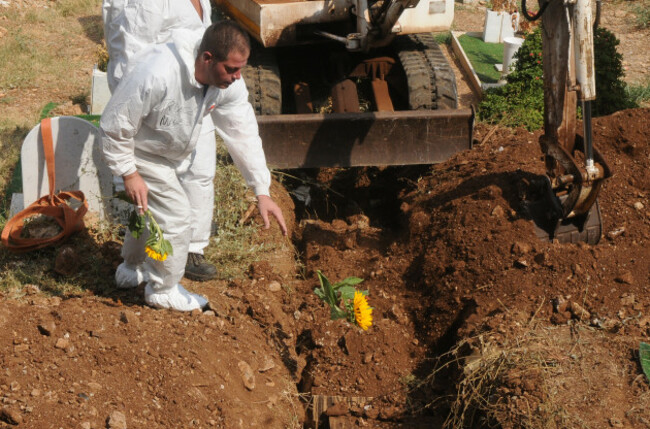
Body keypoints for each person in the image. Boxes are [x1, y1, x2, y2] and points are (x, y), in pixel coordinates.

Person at [100, 21, 288, 311]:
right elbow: (115, 125)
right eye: (231, 69)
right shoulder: (158, 72)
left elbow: (242, 131)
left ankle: (130, 268)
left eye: (241, 69)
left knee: (149, 212)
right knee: (177, 216)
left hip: (166, 152)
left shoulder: (225, 82)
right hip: (139, 151)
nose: (237, 77)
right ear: (207, 58)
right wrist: (129, 171)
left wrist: (261, 189)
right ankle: (163, 289)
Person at [102, 0, 220, 282]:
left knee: (201, 171)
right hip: (157, 102)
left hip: (194, 90)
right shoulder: (144, 4)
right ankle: (151, 270)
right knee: (160, 198)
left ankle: (191, 249)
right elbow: (131, 60)